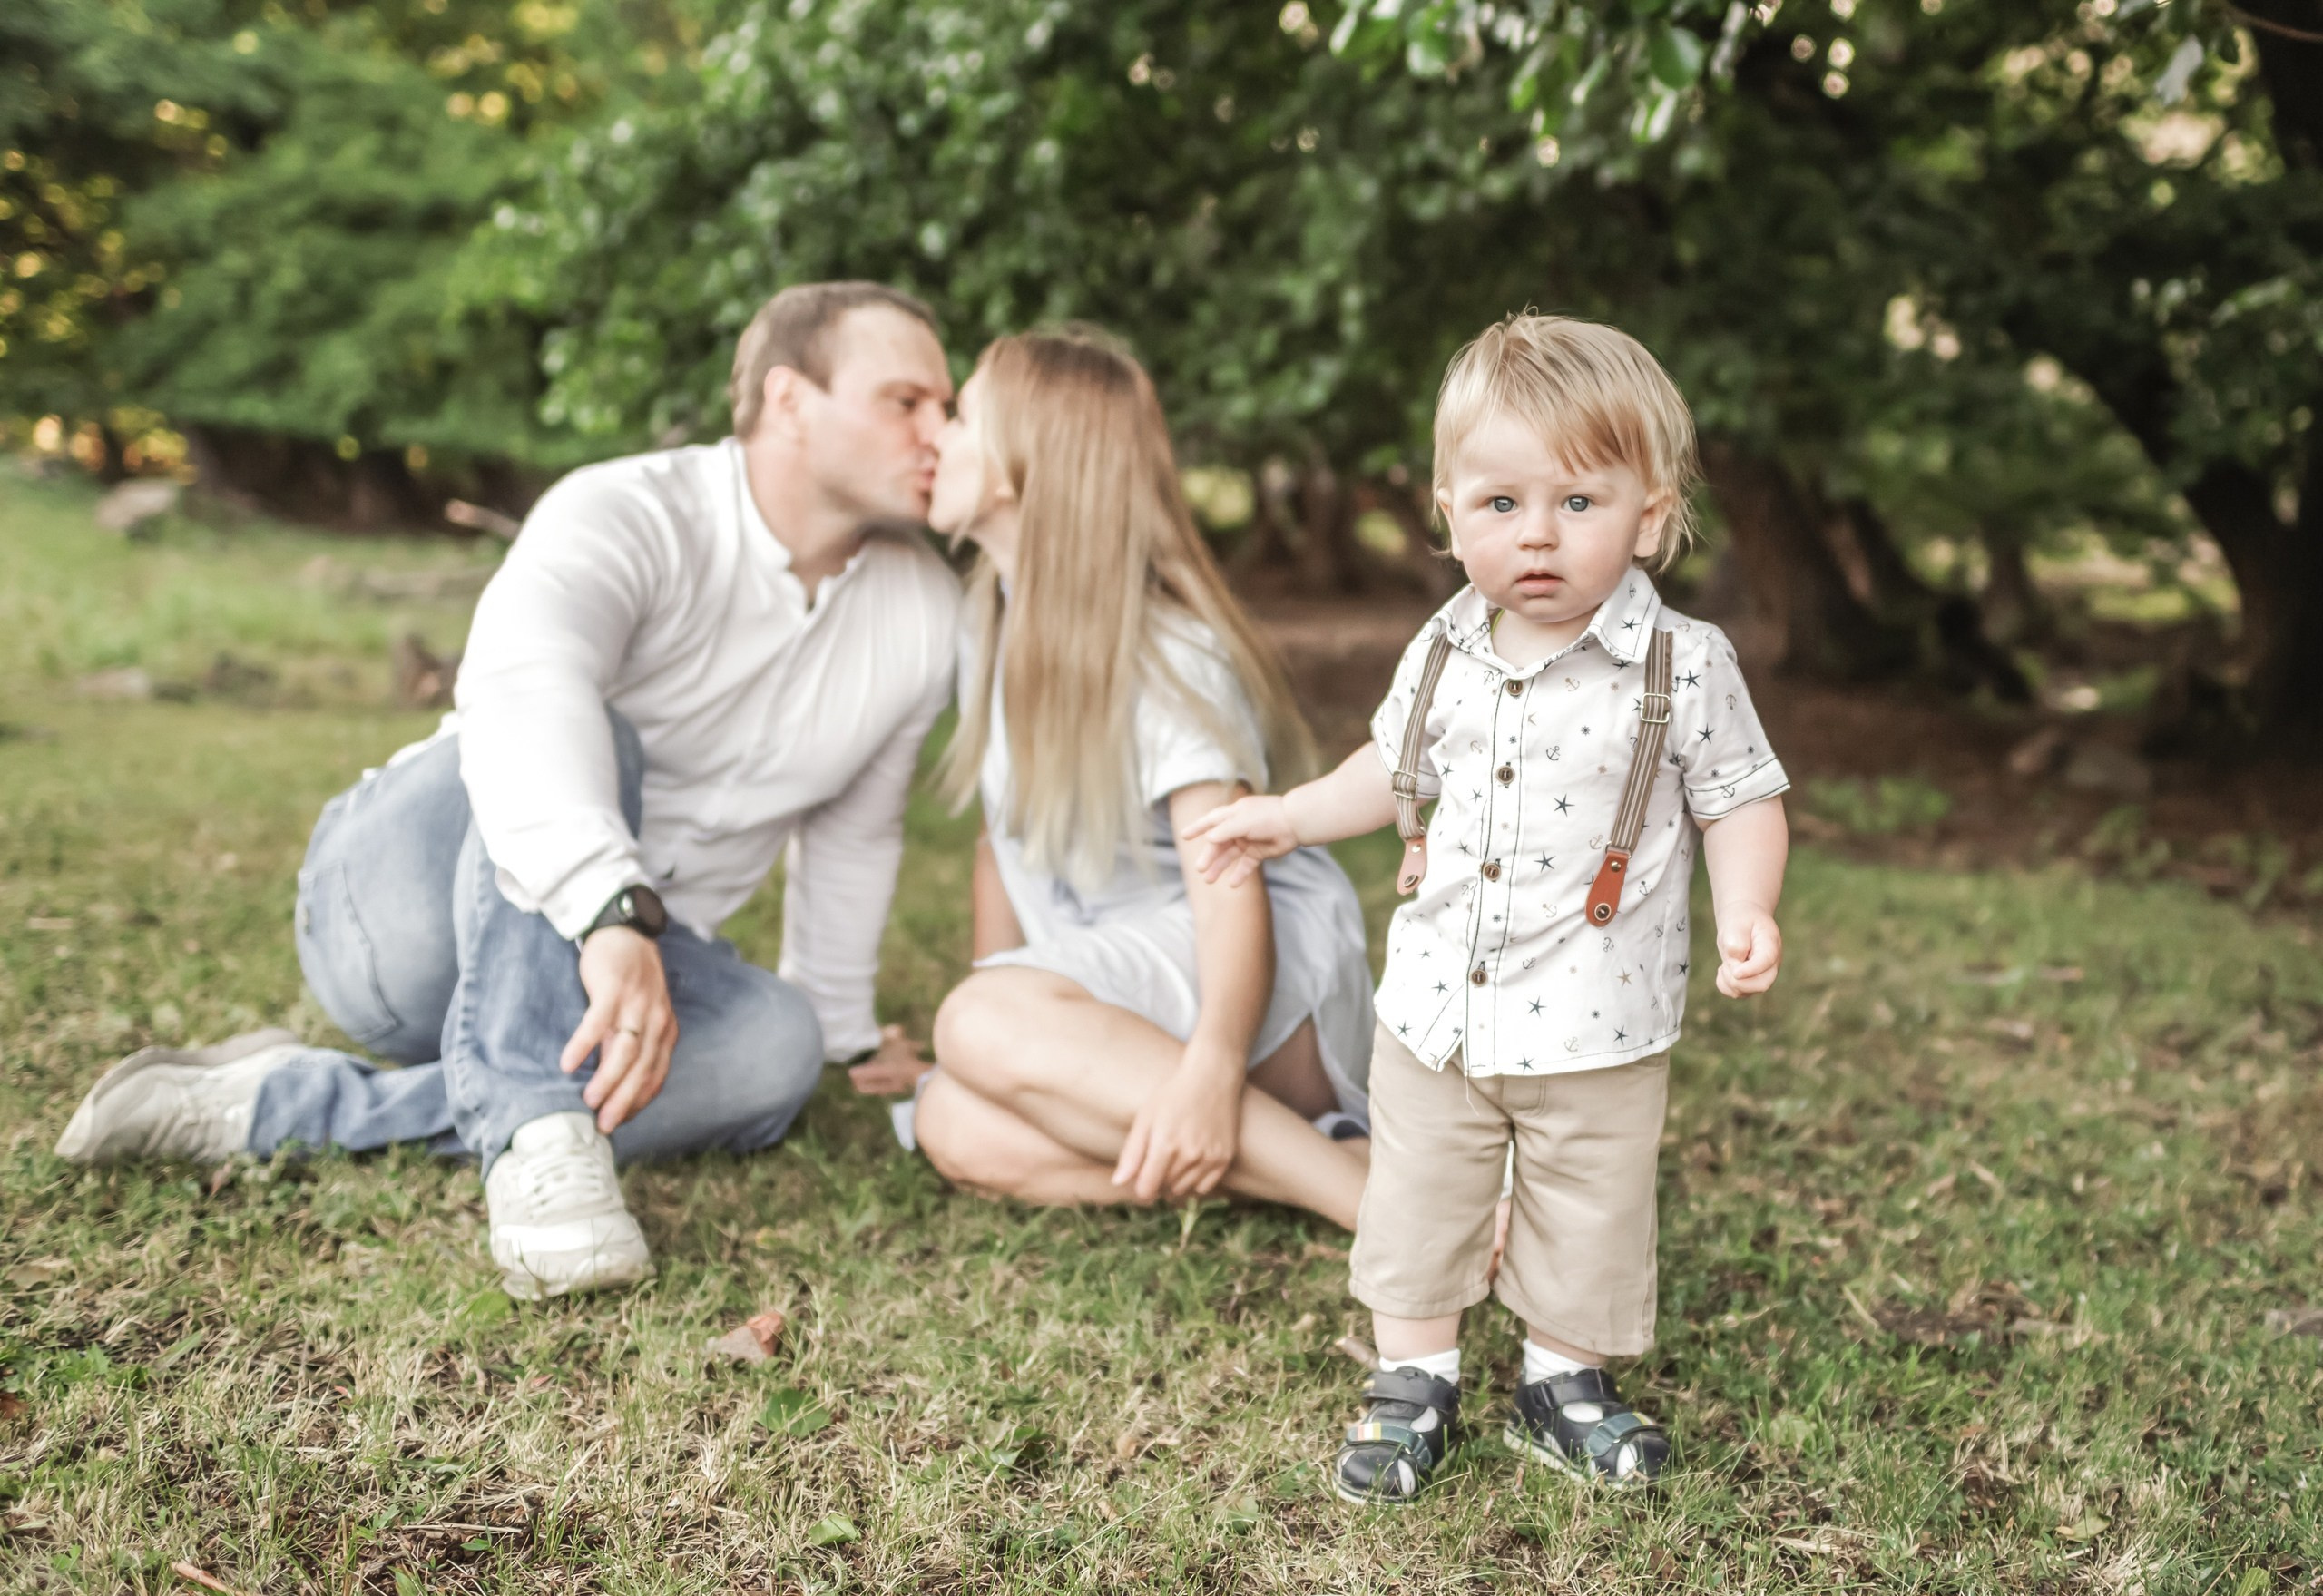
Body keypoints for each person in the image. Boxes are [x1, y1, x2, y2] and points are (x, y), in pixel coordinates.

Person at [54, 282, 961, 1300]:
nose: (942, 430)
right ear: (790, 399)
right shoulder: (626, 507)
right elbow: (524, 690)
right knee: (587, 729)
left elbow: (856, 829)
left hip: (611, 979)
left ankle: (281, 1102)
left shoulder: (922, 608)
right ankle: (533, 1120)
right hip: (400, 916)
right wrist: (607, 907)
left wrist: (841, 1026)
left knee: (771, 1053)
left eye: (949, 406)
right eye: (907, 401)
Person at [1186, 314, 1792, 1500]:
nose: (1539, 535)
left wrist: (1751, 905)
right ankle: (1414, 1377)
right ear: (1448, 510)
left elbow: (1741, 797)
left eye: (1579, 501)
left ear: (1650, 515)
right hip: (1440, 1006)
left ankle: (1563, 1379)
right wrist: (1293, 814)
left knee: (1592, 1199)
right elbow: (1391, 768)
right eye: (1502, 503)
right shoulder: (1445, 647)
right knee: (1421, 1192)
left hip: (1600, 1015)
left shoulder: (1686, 664)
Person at [862, 328, 1374, 1229]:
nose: (936, 432)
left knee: (973, 1023)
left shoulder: (1163, 653)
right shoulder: (991, 621)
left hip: (1249, 979)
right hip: (1131, 993)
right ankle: (1304, 1159)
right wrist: (1013, 1039)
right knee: (953, 1120)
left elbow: (1228, 877)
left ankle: (1375, 1206)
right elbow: (1001, 848)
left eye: (964, 414)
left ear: (1028, 463)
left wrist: (1212, 1064)